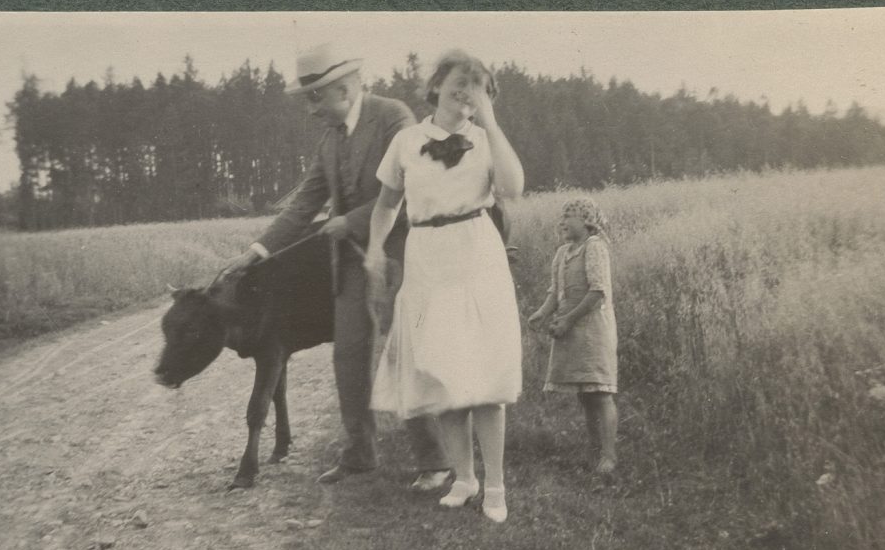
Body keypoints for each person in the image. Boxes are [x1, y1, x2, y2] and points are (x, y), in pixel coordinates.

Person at [220, 43, 450, 490]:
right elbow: (304, 204)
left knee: (402, 353)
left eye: (314, 98)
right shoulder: (329, 140)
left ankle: (436, 462)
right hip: (349, 267)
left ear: (343, 90)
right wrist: (255, 252)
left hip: (400, 254)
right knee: (348, 357)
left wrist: (353, 220)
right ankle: (360, 454)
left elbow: (414, 187)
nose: (309, 111)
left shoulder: (392, 117)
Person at [363, 50, 524, 524]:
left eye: (478, 84)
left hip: (476, 254)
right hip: (427, 258)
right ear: (436, 86)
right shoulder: (407, 141)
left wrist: (490, 123)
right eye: (459, 80)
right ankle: (464, 477)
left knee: (485, 377)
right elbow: (387, 205)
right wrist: (374, 248)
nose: (466, 89)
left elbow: (513, 188)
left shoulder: (487, 138)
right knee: (443, 372)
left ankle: (494, 484)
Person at [527, 197, 619, 477]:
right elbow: (555, 292)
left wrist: (567, 319)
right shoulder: (562, 253)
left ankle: (609, 455)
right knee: (585, 395)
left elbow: (597, 292)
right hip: (571, 329)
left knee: (601, 392)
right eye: (563, 217)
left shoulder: (595, 248)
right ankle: (594, 453)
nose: (563, 222)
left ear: (588, 222)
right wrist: (542, 313)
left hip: (593, 329)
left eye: (570, 217)